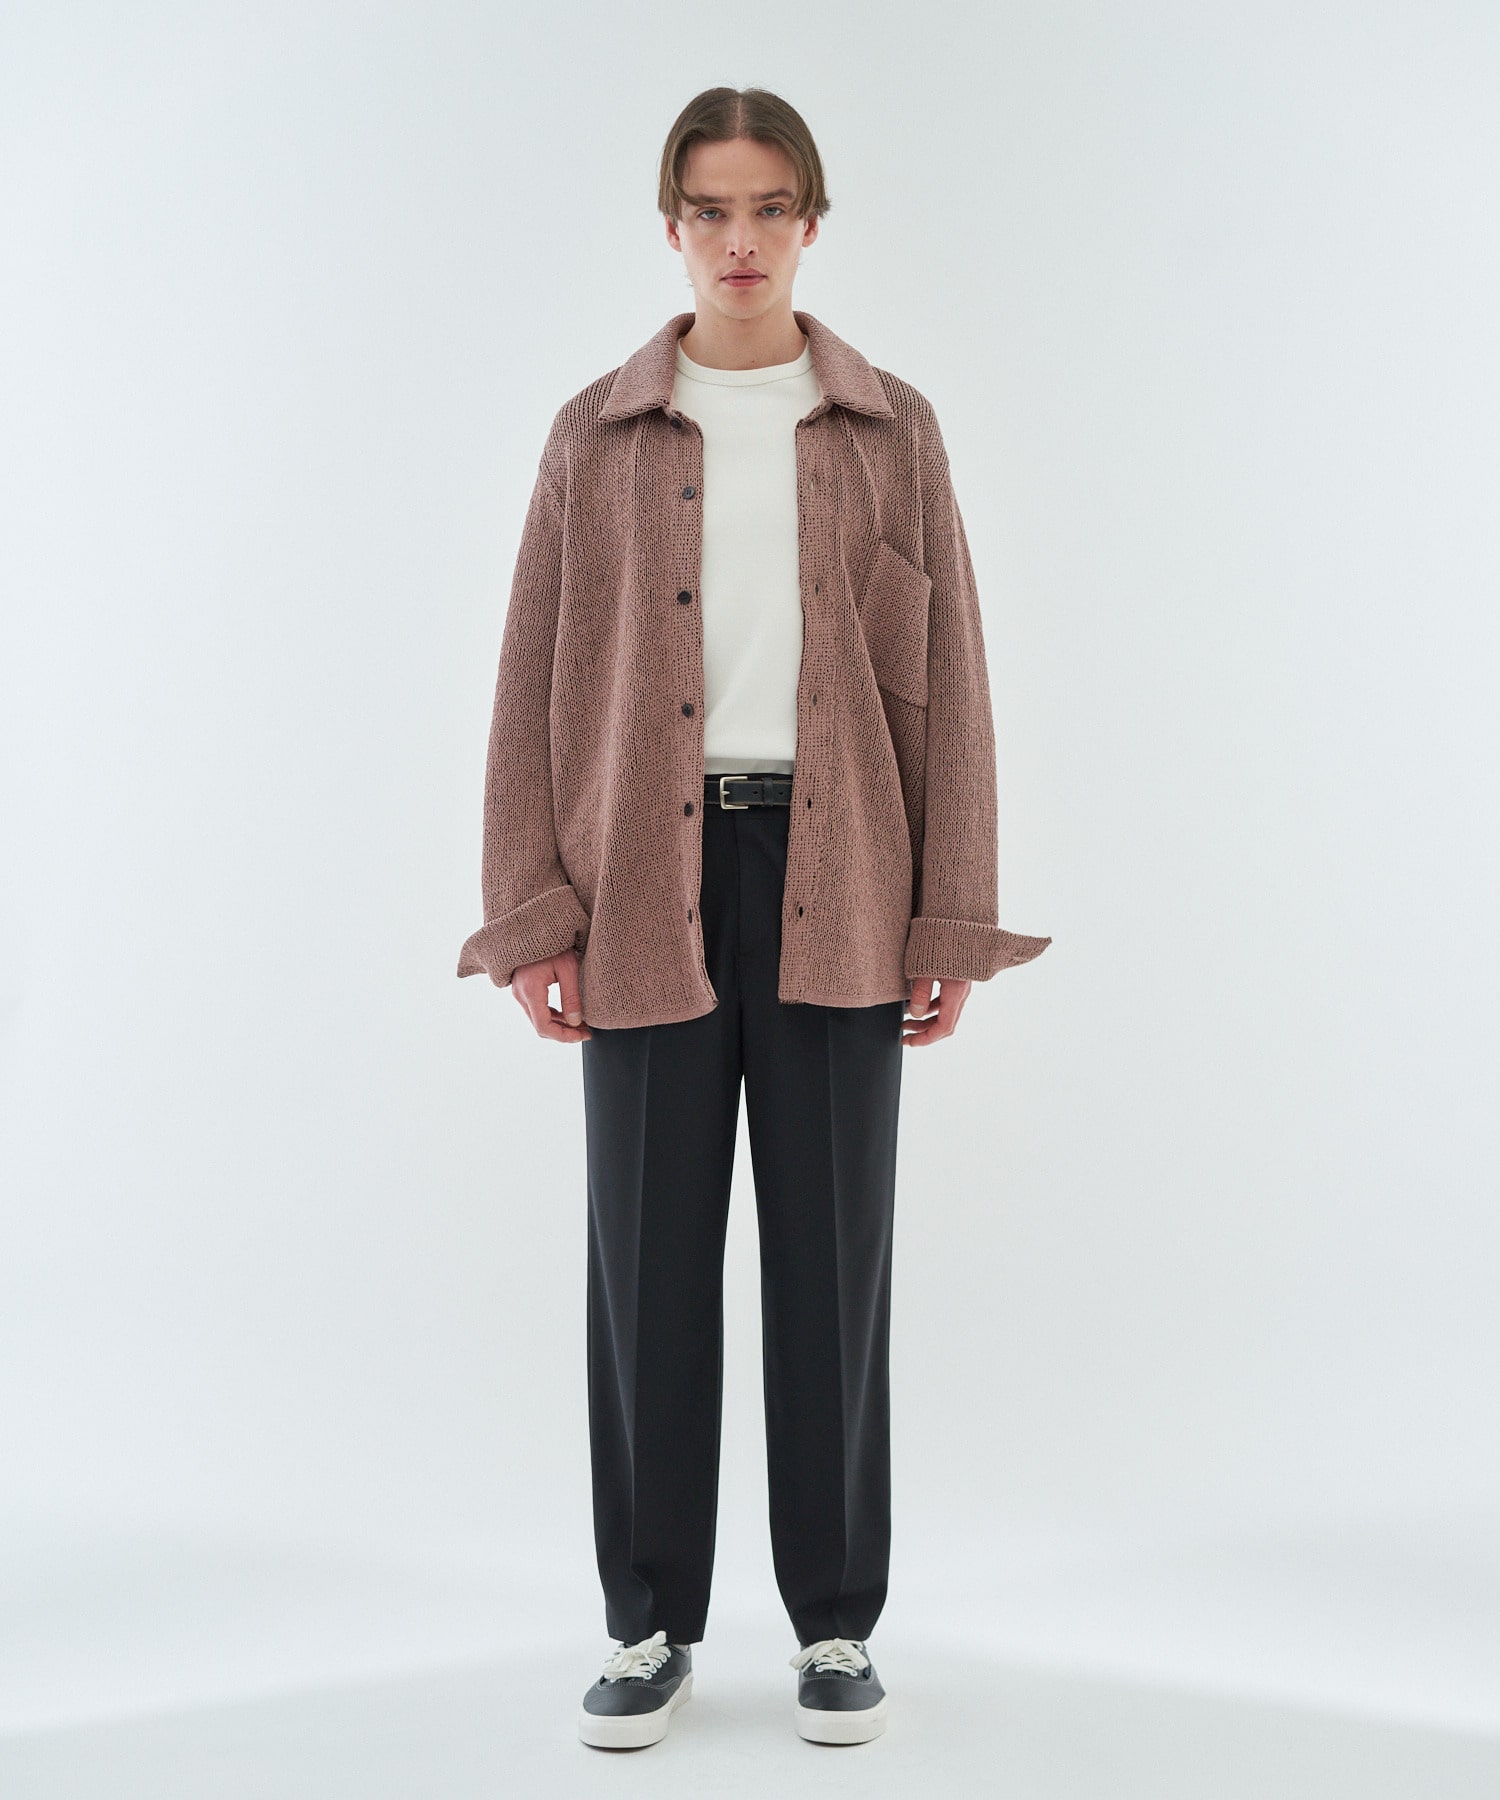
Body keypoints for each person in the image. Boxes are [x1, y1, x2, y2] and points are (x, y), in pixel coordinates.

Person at [456, 85, 1051, 1750]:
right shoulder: (595, 437)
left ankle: (836, 1624)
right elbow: (527, 682)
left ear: (811, 223)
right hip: (640, 886)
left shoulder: (890, 429)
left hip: (839, 874)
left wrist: (950, 913)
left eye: (769, 207)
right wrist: (533, 911)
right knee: (646, 1267)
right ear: (671, 226)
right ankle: (646, 1621)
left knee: (832, 1263)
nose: (739, 238)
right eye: (710, 208)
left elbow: (952, 686)